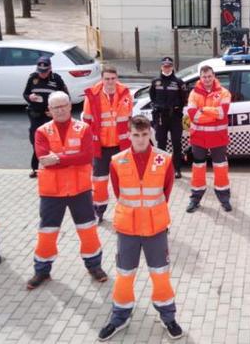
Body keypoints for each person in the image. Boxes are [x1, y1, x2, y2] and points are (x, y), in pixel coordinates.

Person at [98, 116, 184, 341]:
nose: (140, 139)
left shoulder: (164, 159)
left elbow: (166, 191)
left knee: (160, 276)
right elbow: (118, 193)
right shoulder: (117, 160)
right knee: (124, 275)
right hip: (128, 228)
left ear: (150, 134)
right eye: (136, 135)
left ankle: (168, 317)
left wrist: (149, 212)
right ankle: (119, 317)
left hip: (155, 229)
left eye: (145, 135)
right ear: (129, 135)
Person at [26, 92, 107, 290]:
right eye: (56, 107)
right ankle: (42, 270)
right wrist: (71, 158)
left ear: (70, 106)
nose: (60, 110)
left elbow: (87, 156)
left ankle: (94, 266)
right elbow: (43, 158)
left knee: (88, 230)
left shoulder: (83, 129)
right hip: (52, 192)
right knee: (47, 233)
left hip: (80, 190)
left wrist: (59, 159)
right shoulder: (42, 131)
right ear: (49, 110)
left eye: (64, 105)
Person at [82, 65, 133, 223]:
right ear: (102, 80)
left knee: (125, 180)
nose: (110, 82)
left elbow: (129, 118)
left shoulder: (125, 94)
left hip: (121, 146)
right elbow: (87, 121)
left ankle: (126, 211)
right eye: (107, 79)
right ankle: (99, 211)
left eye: (113, 78)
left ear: (116, 78)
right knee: (99, 181)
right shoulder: (92, 96)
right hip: (101, 148)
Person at [186, 65, 232, 213]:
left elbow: (222, 113)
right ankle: (195, 199)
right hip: (198, 139)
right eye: (204, 77)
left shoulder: (224, 93)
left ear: (214, 76)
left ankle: (224, 200)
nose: (207, 79)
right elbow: (194, 115)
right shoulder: (193, 93)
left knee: (221, 169)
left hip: (218, 139)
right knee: (198, 169)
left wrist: (204, 110)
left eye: (209, 76)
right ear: (200, 77)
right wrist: (212, 114)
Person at [23, 56, 68, 178]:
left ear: (50, 69)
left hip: (50, 116)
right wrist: (29, 97)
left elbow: (65, 96)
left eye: (45, 72)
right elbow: (25, 94)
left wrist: (56, 111)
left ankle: (54, 163)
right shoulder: (33, 77)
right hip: (35, 116)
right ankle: (35, 168)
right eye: (40, 71)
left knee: (52, 142)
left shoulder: (56, 79)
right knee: (36, 142)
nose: (42, 74)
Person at [150, 56, 187, 179]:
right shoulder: (155, 82)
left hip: (175, 117)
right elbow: (152, 97)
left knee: (177, 143)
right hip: (161, 117)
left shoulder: (178, 82)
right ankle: (162, 169)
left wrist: (177, 109)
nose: (167, 68)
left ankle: (177, 169)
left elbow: (184, 99)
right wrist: (157, 107)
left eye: (169, 66)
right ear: (161, 67)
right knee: (161, 144)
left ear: (172, 67)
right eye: (165, 66)